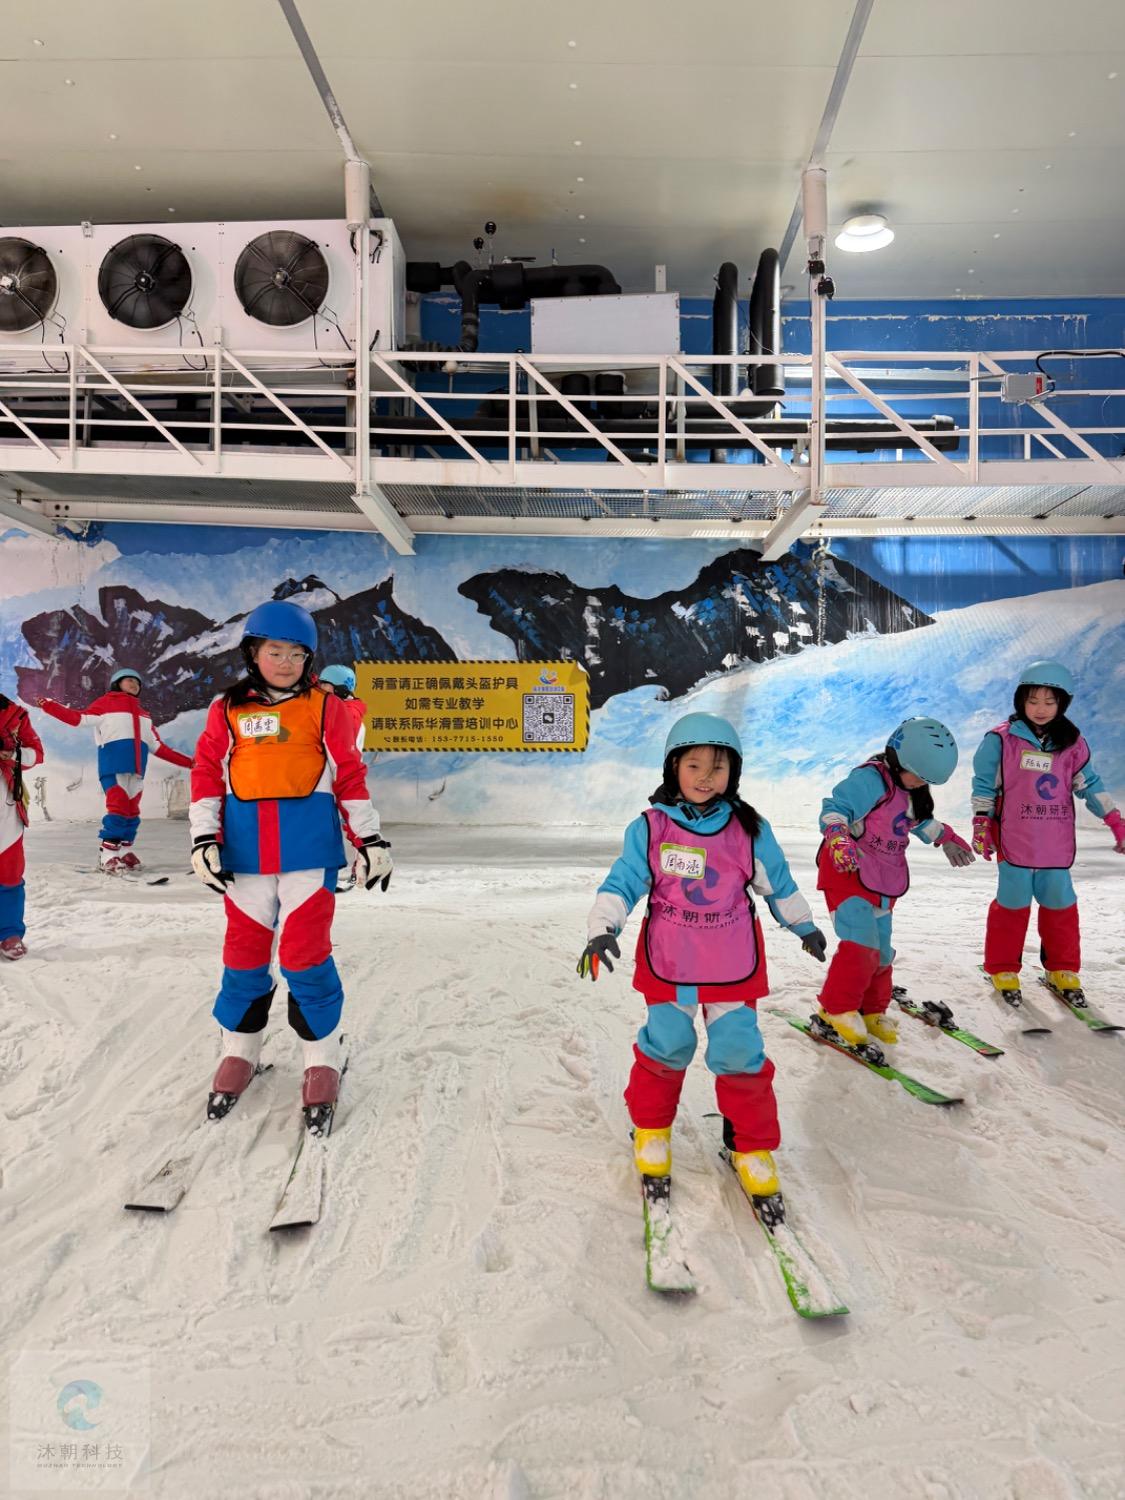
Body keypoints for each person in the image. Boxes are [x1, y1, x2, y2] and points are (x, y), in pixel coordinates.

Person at [577, 713, 827, 1204]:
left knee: (739, 1053)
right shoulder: (650, 828)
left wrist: (803, 925)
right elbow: (623, 881)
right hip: (670, 962)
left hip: (730, 964)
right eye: (694, 765)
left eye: (718, 767)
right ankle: (651, 1130)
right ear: (674, 768)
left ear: (734, 773)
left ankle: (750, 1145)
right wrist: (602, 928)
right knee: (666, 1045)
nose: (706, 777)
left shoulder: (749, 830)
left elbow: (777, 883)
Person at [189, 602, 391, 1129]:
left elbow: (349, 774)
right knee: (244, 955)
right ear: (253, 653)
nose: (285, 662)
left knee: (304, 956)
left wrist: (369, 838)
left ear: (309, 659)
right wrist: (204, 837)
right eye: (274, 652)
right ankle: (240, 1048)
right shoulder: (226, 708)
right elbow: (207, 771)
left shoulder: (327, 707)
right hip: (246, 853)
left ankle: (322, 1054)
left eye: (296, 654)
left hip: (308, 851)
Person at [815, 717, 974, 1052]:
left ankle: (872, 1010)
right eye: (918, 775)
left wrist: (945, 837)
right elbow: (834, 809)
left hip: (882, 880)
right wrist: (838, 836)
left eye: (926, 780)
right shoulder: (870, 780)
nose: (920, 783)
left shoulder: (910, 789)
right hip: (847, 873)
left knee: (882, 952)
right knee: (861, 945)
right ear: (898, 757)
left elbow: (917, 822)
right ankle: (835, 1010)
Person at [972, 660, 1123, 1001]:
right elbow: (984, 785)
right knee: (1012, 904)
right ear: (1021, 701)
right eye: (1033, 700)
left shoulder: (1072, 743)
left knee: (1060, 904)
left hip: (1055, 843)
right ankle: (1003, 968)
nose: (1040, 708)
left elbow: (1090, 785)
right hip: (1014, 839)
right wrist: (981, 822)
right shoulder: (1001, 740)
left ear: (1062, 704)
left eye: (1050, 701)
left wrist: (1115, 820)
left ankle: (1062, 968)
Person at [37, 668, 192, 873]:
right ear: (117, 683)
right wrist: (49, 706)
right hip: (113, 767)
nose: (134, 684)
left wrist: (191, 763)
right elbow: (78, 719)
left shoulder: (144, 715)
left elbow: (158, 747)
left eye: (137, 682)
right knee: (118, 809)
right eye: (129, 680)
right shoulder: (105, 704)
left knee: (132, 813)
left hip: (136, 771)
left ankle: (125, 851)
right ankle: (108, 854)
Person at [0, 692, 44, 959]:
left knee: (10, 873)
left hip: (5, 807)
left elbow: (36, 754)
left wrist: (11, 752)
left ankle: (9, 933)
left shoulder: (14, 714)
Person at [318, 664, 368, 893]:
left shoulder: (347, 714)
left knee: (349, 825)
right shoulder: (343, 709)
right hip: (332, 778)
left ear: (339, 689)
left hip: (339, 778)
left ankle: (358, 870)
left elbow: (342, 752)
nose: (320, 690)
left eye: (325, 686)